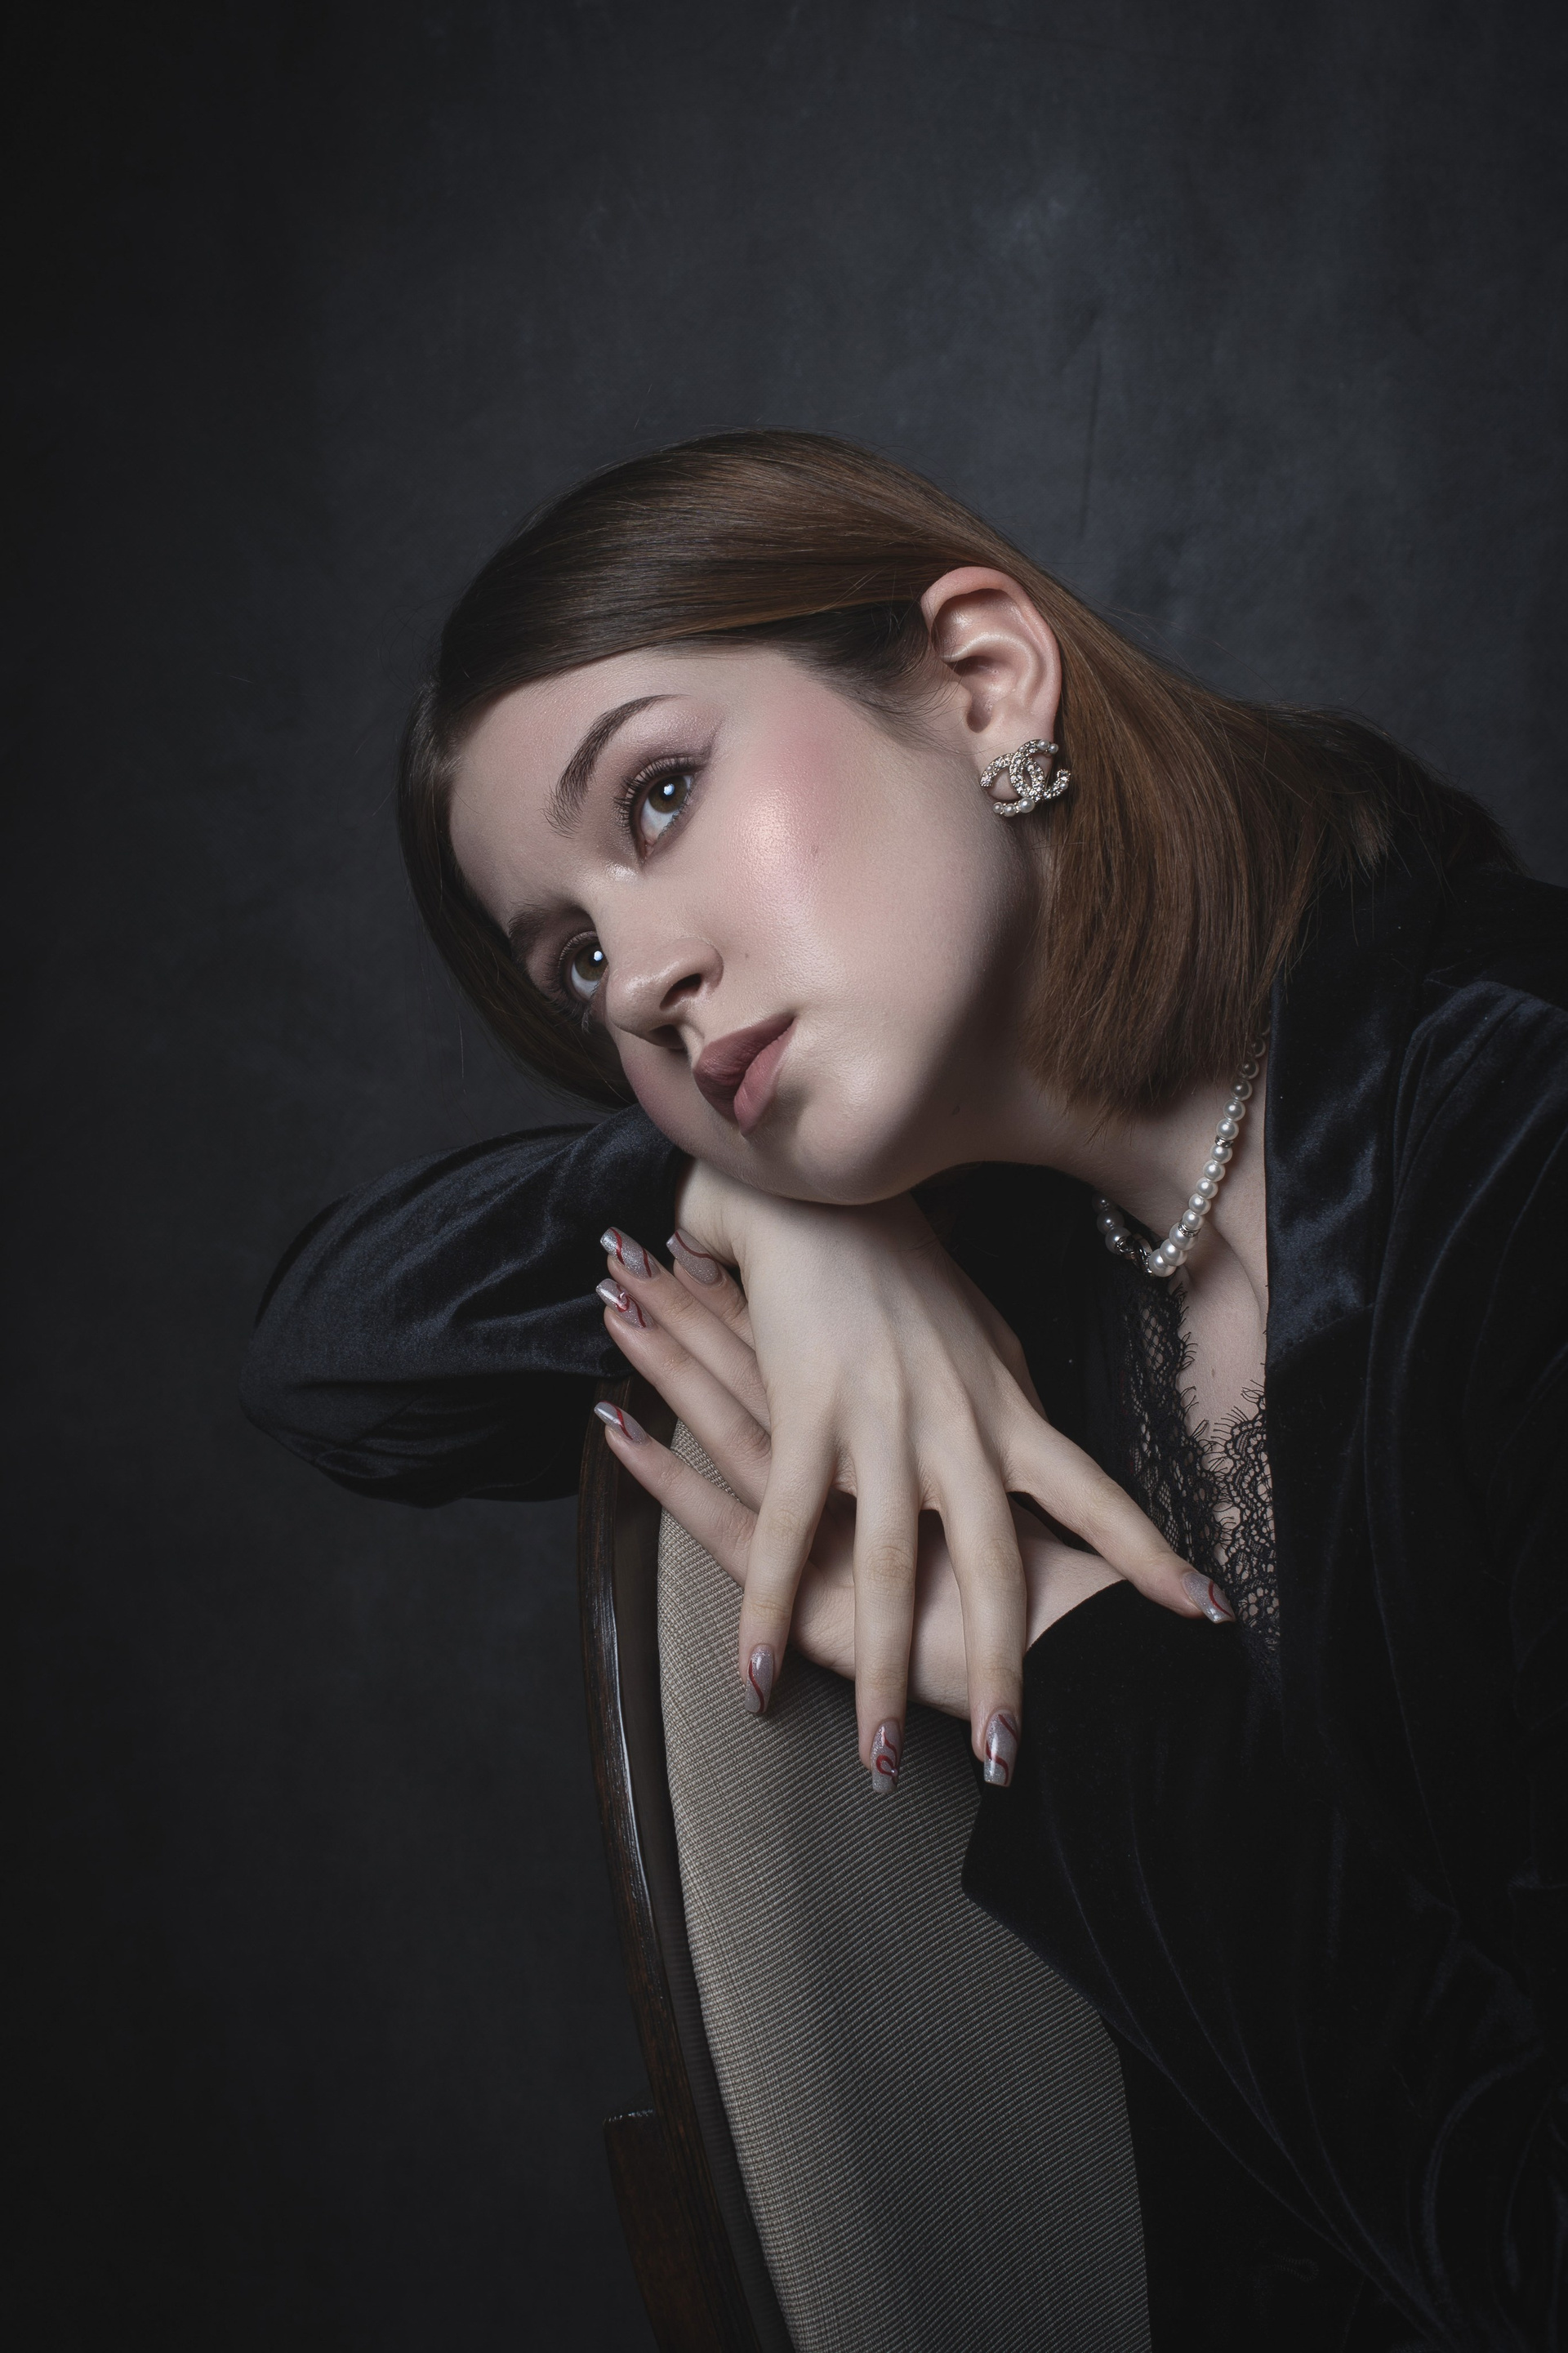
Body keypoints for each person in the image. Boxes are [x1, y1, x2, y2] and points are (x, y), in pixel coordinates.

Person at [243, 430, 1568, 2349]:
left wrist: (1056, 1641)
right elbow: (323, 1357)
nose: (639, 982)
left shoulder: (1515, 1138)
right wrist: (759, 1211)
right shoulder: (1013, 1244)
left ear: (985, 681)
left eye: (663, 793)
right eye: (574, 962)